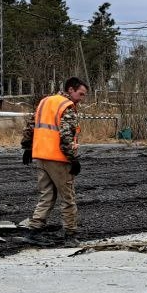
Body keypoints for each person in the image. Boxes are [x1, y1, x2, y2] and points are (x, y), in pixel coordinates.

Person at [20, 77, 89, 246]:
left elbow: (31, 126)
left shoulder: (45, 101)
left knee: (47, 196)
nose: (82, 98)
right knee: (68, 198)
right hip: (59, 159)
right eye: (81, 94)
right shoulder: (67, 107)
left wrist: (27, 147)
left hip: (41, 156)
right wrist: (73, 159)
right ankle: (70, 235)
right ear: (71, 90)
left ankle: (34, 231)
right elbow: (66, 136)